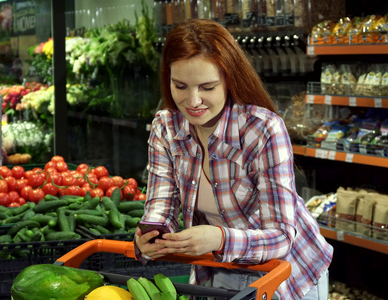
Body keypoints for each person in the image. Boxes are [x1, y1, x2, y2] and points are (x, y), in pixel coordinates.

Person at [134, 19, 333, 300]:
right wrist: (153, 234)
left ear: (229, 79)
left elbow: (282, 236)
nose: (193, 100)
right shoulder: (165, 128)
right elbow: (160, 204)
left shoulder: (262, 129)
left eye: (207, 87)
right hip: (217, 266)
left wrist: (219, 237)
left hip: (287, 272)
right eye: (180, 86)